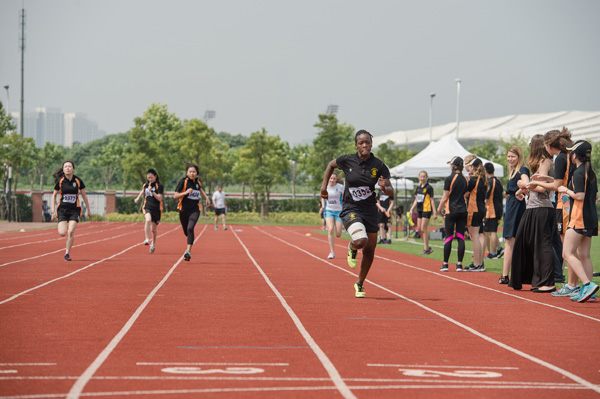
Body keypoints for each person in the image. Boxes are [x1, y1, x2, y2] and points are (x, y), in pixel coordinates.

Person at [320, 129, 393, 298]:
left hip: (370, 211)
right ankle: (352, 247)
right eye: (361, 143)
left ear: (371, 144)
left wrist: (385, 187)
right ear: (356, 145)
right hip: (351, 208)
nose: (365, 145)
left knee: (370, 250)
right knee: (361, 240)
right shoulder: (347, 160)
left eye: (367, 142)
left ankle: (359, 283)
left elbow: (390, 192)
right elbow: (331, 165)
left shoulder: (379, 165)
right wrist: (324, 187)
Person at [509, 135, 555, 292]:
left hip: (541, 208)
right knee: (528, 244)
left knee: (543, 245)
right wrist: (522, 190)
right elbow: (535, 189)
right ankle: (536, 279)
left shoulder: (545, 162)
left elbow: (542, 188)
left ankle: (548, 282)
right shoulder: (543, 163)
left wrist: (524, 184)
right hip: (535, 208)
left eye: (530, 146)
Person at [533, 128, 575, 295]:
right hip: (568, 204)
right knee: (573, 250)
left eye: (545, 145)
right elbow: (560, 181)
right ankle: (575, 284)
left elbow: (557, 186)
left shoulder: (560, 159)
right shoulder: (569, 156)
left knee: (568, 250)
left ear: (550, 145)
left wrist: (538, 184)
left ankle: (574, 285)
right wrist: (547, 180)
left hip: (563, 206)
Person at [558, 140, 599, 302]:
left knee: (567, 253)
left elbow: (580, 195)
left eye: (571, 153)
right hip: (590, 217)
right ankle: (590, 292)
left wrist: (565, 189)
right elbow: (594, 197)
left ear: (575, 155)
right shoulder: (591, 172)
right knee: (584, 255)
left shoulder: (578, 172)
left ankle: (587, 284)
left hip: (578, 218)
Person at [50, 160, 92, 261]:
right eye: (66, 167)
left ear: (73, 169)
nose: (68, 168)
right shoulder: (60, 181)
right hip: (62, 210)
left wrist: (89, 210)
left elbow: (84, 196)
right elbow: (54, 196)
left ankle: (67, 253)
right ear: (63, 169)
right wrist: (53, 211)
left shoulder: (78, 181)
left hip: (74, 209)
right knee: (62, 233)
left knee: (71, 231)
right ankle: (63, 227)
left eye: (69, 166)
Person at [499, 146, 530, 284]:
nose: (510, 159)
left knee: (510, 241)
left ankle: (506, 275)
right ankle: (506, 275)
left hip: (516, 206)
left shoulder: (522, 170)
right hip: (511, 205)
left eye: (513, 156)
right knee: (509, 241)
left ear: (519, 157)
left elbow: (527, 184)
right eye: (509, 156)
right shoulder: (512, 171)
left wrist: (519, 190)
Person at [436, 156, 468, 272]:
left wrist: (439, 210)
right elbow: (466, 193)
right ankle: (459, 264)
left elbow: (445, 197)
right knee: (460, 236)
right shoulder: (465, 178)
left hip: (451, 210)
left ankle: (445, 264)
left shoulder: (449, 178)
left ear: (454, 166)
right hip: (463, 210)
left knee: (449, 236)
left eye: (451, 164)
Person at [174, 163, 211, 261]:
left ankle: (188, 251)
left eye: (194, 172)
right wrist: (185, 192)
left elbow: (200, 189)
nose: (192, 173)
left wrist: (206, 197)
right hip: (183, 210)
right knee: (187, 232)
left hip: (195, 210)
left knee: (190, 228)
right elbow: (175, 196)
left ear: (197, 173)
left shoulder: (198, 182)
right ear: (187, 172)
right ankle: (189, 239)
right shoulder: (183, 182)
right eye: (190, 172)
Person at [464, 156, 487, 272]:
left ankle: (477, 263)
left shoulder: (473, 180)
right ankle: (479, 263)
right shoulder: (482, 178)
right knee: (476, 235)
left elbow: (465, 193)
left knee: (474, 236)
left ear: (473, 167)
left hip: (474, 208)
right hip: (480, 208)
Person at [134, 168, 163, 254]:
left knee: (154, 229)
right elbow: (142, 191)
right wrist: (138, 198)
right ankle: (147, 238)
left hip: (157, 209)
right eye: (148, 177)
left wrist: (152, 192)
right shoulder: (145, 185)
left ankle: (153, 244)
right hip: (147, 207)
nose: (149, 179)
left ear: (155, 176)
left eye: (151, 177)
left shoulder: (159, 186)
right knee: (148, 220)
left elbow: (159, 198)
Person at [408, 170, 437, 254]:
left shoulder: (429, 188)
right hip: (420, 209)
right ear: (419, 178)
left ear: (427, 177)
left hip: (427, 209)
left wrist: (434, 212)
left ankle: (426, 248)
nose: (422, 178)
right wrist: (411, 209)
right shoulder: (418, 187)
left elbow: (432, 200)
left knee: (423, 229)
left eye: (424, 176)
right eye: (421, 177)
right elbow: (416, 199)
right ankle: (427, 247)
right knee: (419, 230)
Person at [320, 172, 344, 259]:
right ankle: (332, 252)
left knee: (338, 234)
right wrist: (323, 207)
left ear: (336, 179)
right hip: (329, 210)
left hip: (339, 211)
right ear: (328, 178)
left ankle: (333, 250)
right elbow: (322, 197)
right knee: (330, 229)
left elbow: (345, 198)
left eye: (334, 179)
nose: (332, 180)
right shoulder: (325, 187)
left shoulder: (340, 187)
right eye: (331, 178)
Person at [483, 162, 504, 259]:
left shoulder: (489, 182)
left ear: (485, 171)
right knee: (488, 231)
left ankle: (493, 252)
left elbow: (486, 199)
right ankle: (499, 248)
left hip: (492, 209)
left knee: (492, 231)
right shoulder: (498, 180)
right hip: (498, 207)